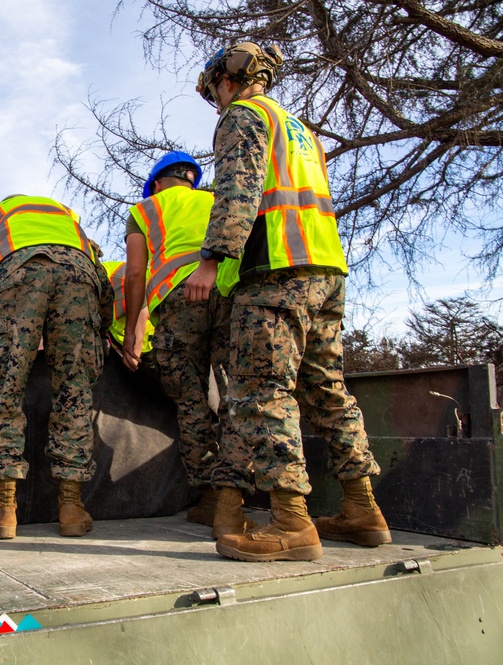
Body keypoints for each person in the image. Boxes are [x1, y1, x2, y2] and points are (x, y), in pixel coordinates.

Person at [185, 42, 391, 561]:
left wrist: (211, 260)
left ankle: (291, 523)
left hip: (277, 271)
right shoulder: (300, 130)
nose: (216, 103)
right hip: (327, 270)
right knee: (327, 390)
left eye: (214, 93)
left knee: (263, 390)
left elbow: (238, 191)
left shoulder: (244, 116)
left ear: (226, 81)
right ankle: (363, 508)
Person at [0, 194, 113, 539]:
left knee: (6, 392)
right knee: (75, 393)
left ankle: (3, 509)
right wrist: (100, 328)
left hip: (16, 276)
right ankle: (72, 508)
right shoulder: (69, 220)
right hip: (79, 279)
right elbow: (104, 287)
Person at [122, 152, 255, 539]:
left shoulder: (146, 209)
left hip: (179, 302)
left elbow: (134, 272)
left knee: (191, 400)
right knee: (234, 393)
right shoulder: (216, 200)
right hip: (229, 291)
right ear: (190, 179)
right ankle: (237, 499)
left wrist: (134, 328)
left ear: (158, 183)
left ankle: (213, 500)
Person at [102, 259, 153, 364]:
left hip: (152, 346)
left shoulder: (118, 277)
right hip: (125, 349)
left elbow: (140, 310)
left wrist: (136, 353)